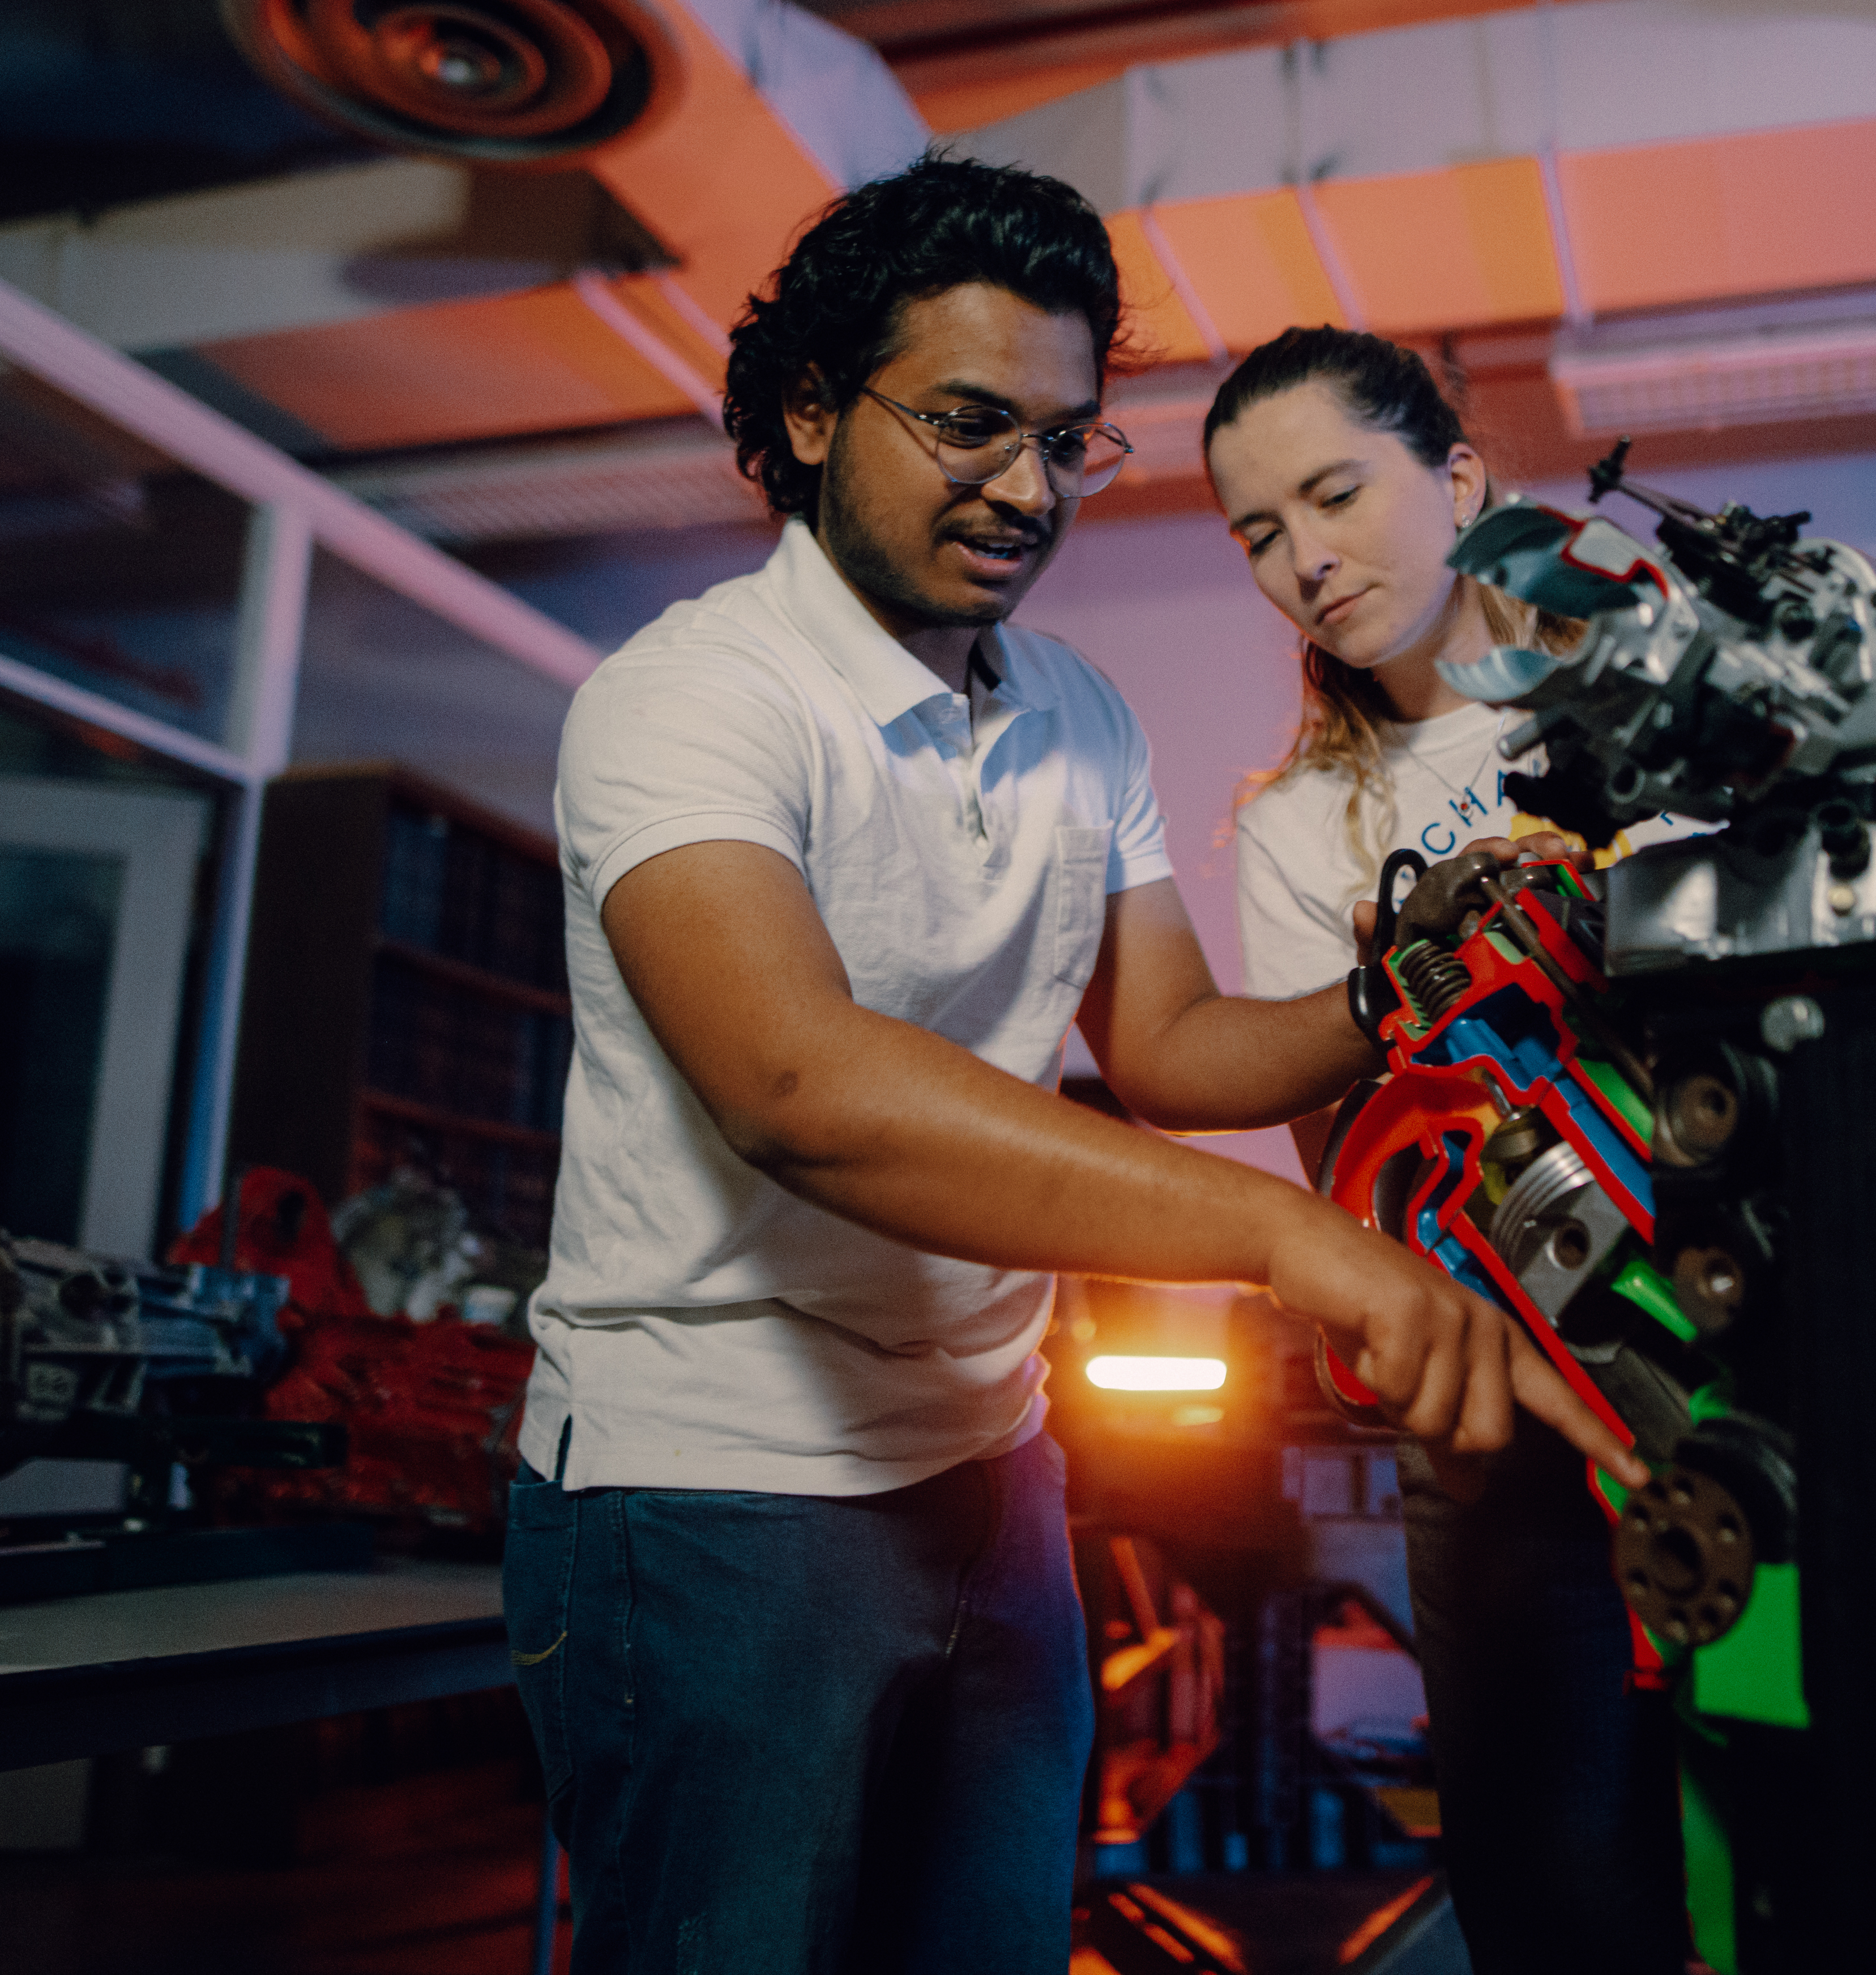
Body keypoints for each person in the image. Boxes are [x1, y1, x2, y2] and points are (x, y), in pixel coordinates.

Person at [499, 157, 1636, 1975]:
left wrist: (1422, 973)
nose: (1028, 489)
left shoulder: (1075, 714)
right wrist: (1294, 1244)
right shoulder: (688, 702)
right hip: (714, 1491)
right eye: (970, 425)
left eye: (1067, 439)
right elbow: (800, 1091)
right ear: (808, 412)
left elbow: (1177, 1048)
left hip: (990, 1472)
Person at [1206, 326, 1691, 1975]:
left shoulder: (1653, 686)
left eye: (1335, 495)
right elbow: (1353, 1169)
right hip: (1495, 1398)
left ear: (1461, 481)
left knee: (1817, 1838)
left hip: (1756, 1342)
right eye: (1260, 534)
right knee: (1554, 1886)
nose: (1306, 561)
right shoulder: (1295, 829)